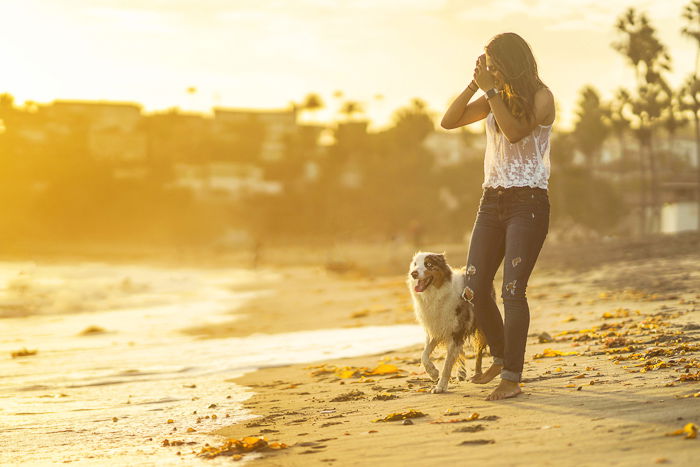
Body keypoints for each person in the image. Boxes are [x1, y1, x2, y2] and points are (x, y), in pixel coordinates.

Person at [440, 32, 555, 401]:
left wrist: (490, 92)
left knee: (512, 291)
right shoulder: (493, 98)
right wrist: (475, 84)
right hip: (491, 202)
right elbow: (448, 120)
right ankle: (502, 352)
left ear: (509, 61)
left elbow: (517, 133)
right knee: (473, 288)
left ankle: (512, 376)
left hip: (529, 204)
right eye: (485, 64)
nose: (489, 69)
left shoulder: (541, 97)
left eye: (492, 63)